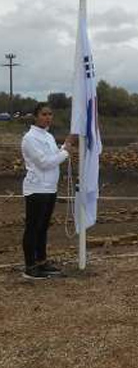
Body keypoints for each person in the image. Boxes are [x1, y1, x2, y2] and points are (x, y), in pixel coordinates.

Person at [21, 103, 75, 280]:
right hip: (36, 189)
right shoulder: (30, 138)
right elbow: (44, 163)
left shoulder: (49, 136)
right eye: (44, 114)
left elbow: (54, 156)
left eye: (50, 114)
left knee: (43, 228)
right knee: (33, 228)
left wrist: (64, 147)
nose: (48, 117)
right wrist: (65, 152)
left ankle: (42, 262)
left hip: (50, 188)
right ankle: (30, 266)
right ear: (36, 116)